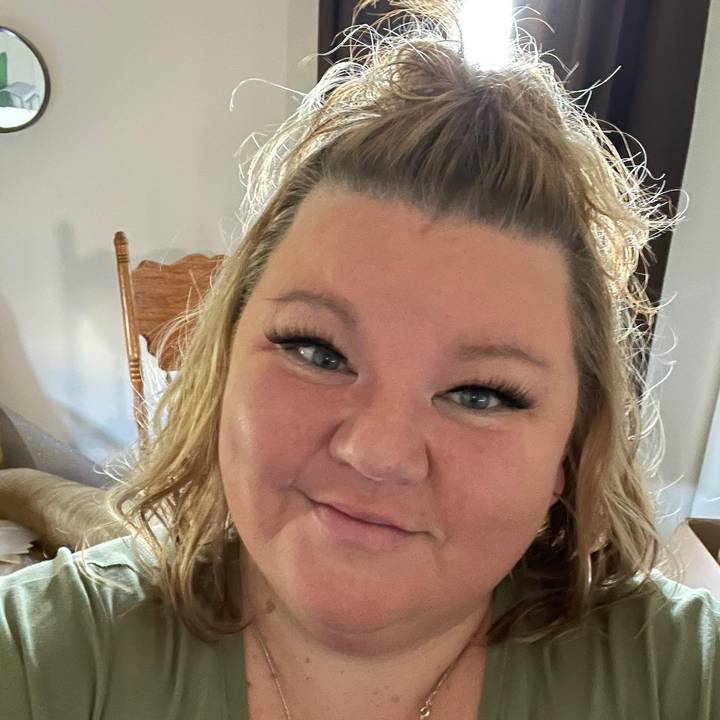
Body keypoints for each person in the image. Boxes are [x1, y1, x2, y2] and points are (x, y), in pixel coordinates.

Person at [1, 1, 718, 718]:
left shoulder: (681, 674)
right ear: (224, 365)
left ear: (569, 450)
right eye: (316, 350)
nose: (377, 452)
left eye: (482, 393)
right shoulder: (43, 655)